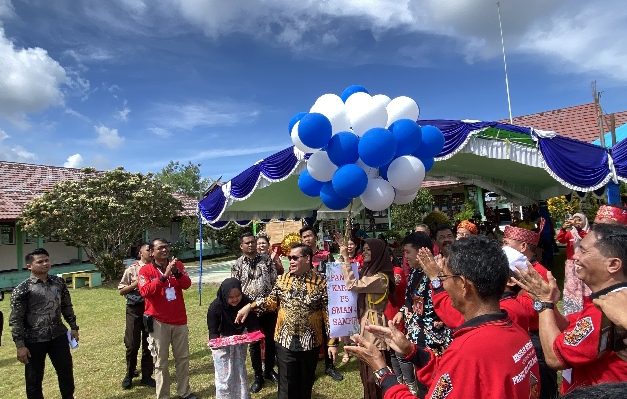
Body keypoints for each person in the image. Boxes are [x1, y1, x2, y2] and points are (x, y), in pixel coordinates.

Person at [346, 235, 540, 399]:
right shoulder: (517, 331)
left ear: (463, 284)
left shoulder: (468, 351)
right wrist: (413, 351)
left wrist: (382, 372)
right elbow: (458, 377)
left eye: (444, 278)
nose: (441, 286)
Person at [514, 223, 627, 394]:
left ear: (613, 265)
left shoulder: (606, 310)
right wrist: (550, 303)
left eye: (584, 251)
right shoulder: (609, 299)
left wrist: (544, 304)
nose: (575, 256)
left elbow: (555, 357)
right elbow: (569, 328)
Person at [235, 243, 339, 399]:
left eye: (295, 258)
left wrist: (332, 342)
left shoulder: (320, 282)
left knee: (305, 383)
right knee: (286, 385)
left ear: (307, 258)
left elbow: (328, 313)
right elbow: (271, 302)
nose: (291, 261)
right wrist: (250, 306)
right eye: (290, 258)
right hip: (284, 341)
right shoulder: (282, 280)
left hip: (310, 342)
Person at [9, 248, 79, 399]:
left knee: (66, 372)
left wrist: (73, 327)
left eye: (47, 260)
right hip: (34, 340)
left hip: (58, 335)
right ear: (29, 266)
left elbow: (66, 306)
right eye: (40, 262)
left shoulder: (58, 282)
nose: (45, 264)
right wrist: (20, 346)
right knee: (34, 379)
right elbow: (16, 319)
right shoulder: (23, 289)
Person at [392, 232, 452, 397]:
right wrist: (402, 312)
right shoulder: (413, 273)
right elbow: (410, 301)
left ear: (421, 252)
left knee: (435, 383)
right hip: (416, 337)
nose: (405, 257)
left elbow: (447, 304)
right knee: (420, 382)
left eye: (407, 252)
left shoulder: (439, 273)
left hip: (435, 342)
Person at [501, 226, 557, 399]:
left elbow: (529, 311)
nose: (502, 246)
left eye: (506, 243)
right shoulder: (524, 268)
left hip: (536, 337)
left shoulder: (536, 272)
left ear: (523, 246)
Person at [138, 239, 197, 399]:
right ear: (151, 252)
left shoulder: (178, 265)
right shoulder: (145, 271)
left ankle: (184, 392)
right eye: (160, 248)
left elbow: (186, 284)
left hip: (179, 320)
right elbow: (145, 291)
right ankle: (163, 395)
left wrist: (176, 272)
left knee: (183, 358)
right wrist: (164, 276)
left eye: (166, 247)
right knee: (161, 362)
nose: (165, 250)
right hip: (158, 322)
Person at [340, 238, 395, 399]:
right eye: (363, 249)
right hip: (365, 325)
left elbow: (352, 284)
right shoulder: (369, 272)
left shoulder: (381, 278)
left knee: (375, 375)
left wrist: (345, 259)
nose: (364, 252)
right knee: (365, 374)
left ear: (378, 253)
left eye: (368, 250)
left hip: (375, 329)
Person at [231, 232, 278, 393]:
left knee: (271, 341)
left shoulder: (267, 261)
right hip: (249, 311)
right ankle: (258, 376)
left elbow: (274, 283)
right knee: (254, 344)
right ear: (241, 246)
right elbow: (235, 289)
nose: (251, 245)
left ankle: (269, 370)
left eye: (253, 242)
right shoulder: (237, 264)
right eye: (247, 243)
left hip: (268, 308)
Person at [299, 225, 343, 381]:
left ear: (315, 237)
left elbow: (336, 272)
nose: (308, 239)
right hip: (308, 303)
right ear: (301, 240)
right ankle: (309, 369)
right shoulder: (299, 258)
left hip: (326, 300)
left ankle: (330, 366)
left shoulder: (325, 255)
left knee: (329, 333)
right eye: (304, 237)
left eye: (310, 235)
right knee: (309, 334)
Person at [207, 278, 260, 399]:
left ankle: (242, 396)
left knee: (239, 370)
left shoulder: (246, 302)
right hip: (222, 341)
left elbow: (253, 325)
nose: (235, 299)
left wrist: (254, 336)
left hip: (240, 339)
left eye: (238, 296)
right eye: (231, 297)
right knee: (224, 375)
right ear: (224, 295)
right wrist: (216, 344)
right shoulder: (215, 307)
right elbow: (213, 331)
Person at [118, 243, 155, 389]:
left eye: (152, 250)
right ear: (140, 252)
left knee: (149, 343)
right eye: (148, 250)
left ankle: (147, 376)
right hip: (134, 309)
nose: (151, 252)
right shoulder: (132, 269)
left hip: (151, 309)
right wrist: (135, 284)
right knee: (132, 344)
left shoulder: (156, 268)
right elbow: (121, 290)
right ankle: (129, 374)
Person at [557, 212, 591, 314]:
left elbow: (586, 238)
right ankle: (573, 309)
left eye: (579, 220)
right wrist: (563, 229)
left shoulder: (589, 233)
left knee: (586, 284)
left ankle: (587, 305)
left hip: (585, 263)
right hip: (571, 264)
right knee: (572, 286)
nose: (576, 222)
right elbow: (561, 239)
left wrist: (579, 229)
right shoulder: (571, 233)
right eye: (574, 219)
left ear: (584, 221)